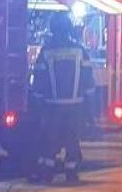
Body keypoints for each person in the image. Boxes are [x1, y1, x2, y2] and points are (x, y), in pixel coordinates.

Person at [30, 12, 94, 182]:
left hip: (52, 106)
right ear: (69, 29)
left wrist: (37, 101)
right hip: (76, 106)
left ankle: (47, 172)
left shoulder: (46, 52)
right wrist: (90, 108)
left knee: (50, 140)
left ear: (53, 29)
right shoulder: (80, 51)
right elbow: (88, 80)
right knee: (72, 139)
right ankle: (71, 173)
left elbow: (39, 80)